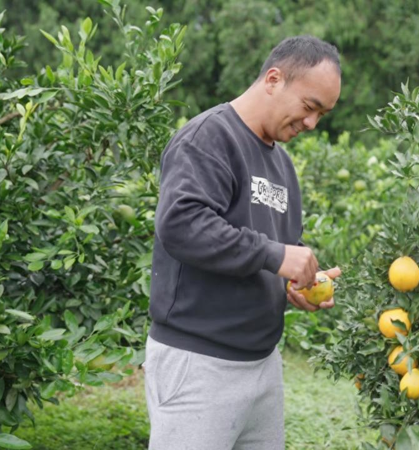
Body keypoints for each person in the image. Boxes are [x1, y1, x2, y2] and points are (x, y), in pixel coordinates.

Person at [143, 35, 342, 450]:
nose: (312, 124)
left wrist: (296, 283)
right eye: (309, 107)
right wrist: (275, 255)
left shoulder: (281, 164)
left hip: (261, 364)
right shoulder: (209, 139)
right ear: (273, 79)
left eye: (322, 114)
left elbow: (275, 246)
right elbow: (181, 224)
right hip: (200, 364)